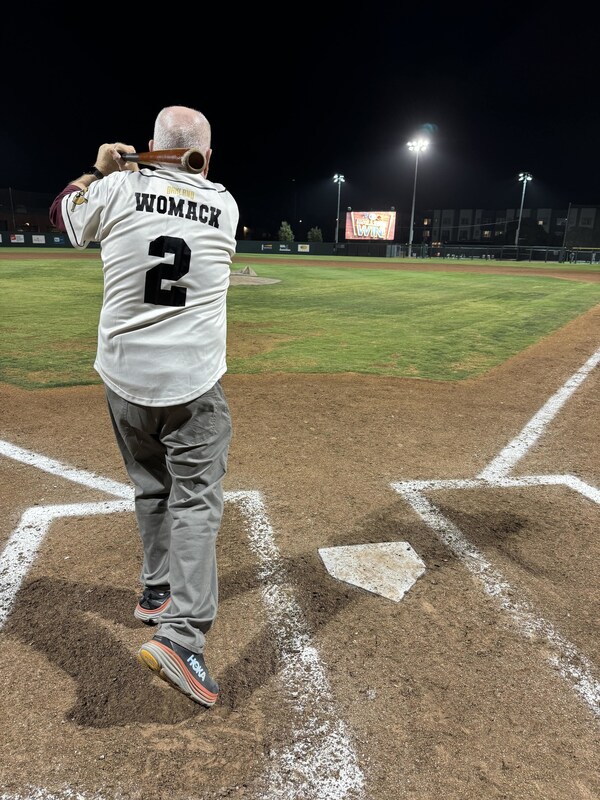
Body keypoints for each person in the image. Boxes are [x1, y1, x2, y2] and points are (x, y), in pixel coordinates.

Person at [49, 106, 239, 708]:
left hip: (123, 381)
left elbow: (63, 217)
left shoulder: (118, 186)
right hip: (192, 384)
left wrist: (98, 169)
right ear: (205, 159)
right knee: (195, 500)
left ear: (151, 146)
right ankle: (182, 638)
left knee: (151, 486)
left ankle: (157, 591)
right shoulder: (227, 207)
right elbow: (192, 190)